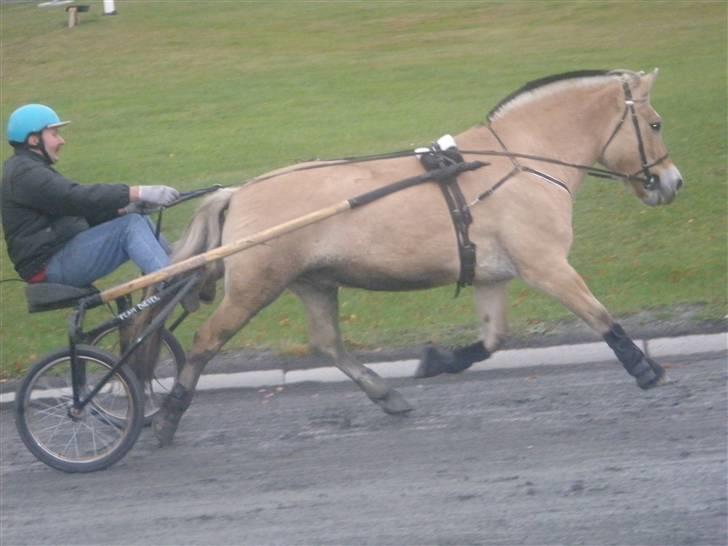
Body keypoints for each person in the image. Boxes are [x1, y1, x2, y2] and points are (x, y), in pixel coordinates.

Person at [1, 104, 179, 288]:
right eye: (54, 134)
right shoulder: (24, 173)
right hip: (48, 266)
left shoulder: (29, 169)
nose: (61, 141)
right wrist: (136, 192)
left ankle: (177, 270)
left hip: (58, 255)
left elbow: (76, 213)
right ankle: (172, 283)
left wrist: (124, 209)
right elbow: (74, 197)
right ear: (33, 140)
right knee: (130, 226)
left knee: (135, 218)